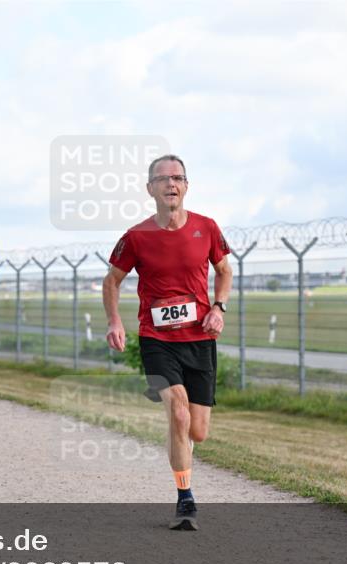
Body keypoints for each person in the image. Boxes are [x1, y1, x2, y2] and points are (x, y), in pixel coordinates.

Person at [103, 154, 233, 531]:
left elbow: (224, 270)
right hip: (156, 337)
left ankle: (177, 424)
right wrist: (115, 320)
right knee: (178, 413)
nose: (170, 184)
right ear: (150, 189)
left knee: (198, 431)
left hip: (200, 338)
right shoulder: (136, 236)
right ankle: (185, 499)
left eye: (177, 178)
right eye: (163, 179)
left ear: (186, 186)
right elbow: (112, 281)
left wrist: (219, 308)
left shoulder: (207, 228)